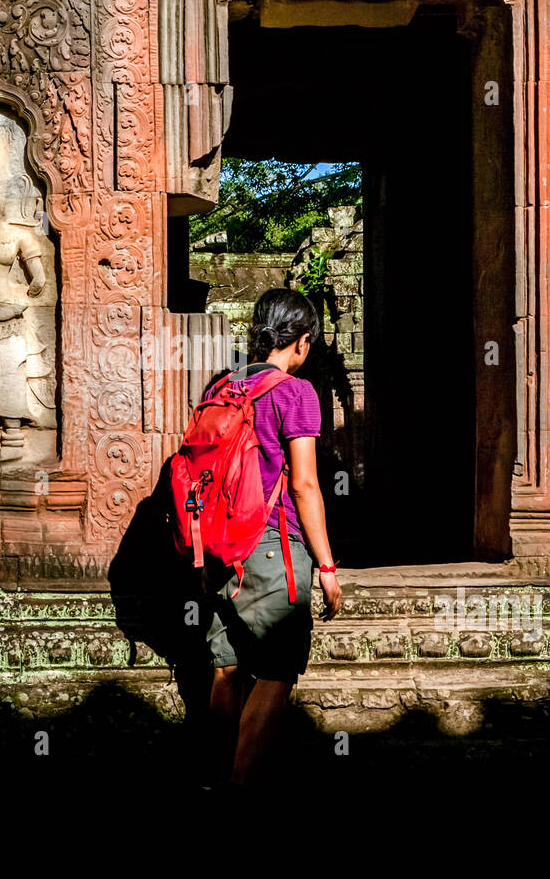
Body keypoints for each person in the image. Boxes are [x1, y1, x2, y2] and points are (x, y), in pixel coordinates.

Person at [202, 287, 343, 789]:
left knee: (227, 665)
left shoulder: (221, 387)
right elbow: (304, 484)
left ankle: (216, 777)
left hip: (217, 544)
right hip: (272, 543)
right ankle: (242, 792)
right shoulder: (295, 392)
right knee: (279, 670)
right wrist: (326, 566)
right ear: (302, 342)